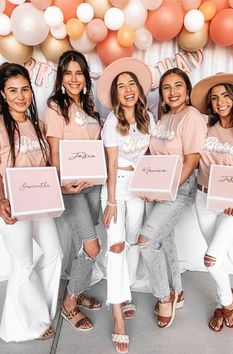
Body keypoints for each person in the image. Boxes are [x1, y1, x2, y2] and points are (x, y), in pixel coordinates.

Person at [138, 68, 207, 329]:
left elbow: (191, 160)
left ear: (187, 91)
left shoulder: (191, 116)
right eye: (167, 87)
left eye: (178, 85)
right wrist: (148, 185)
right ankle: (177, 291)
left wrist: (167, 188)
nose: (173, 91)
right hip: (158, 185)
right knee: (164, 239)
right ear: (162, 94)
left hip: (179, 187)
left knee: (146, 242)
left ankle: (163, 296)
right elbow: (153, 156)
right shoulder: (164, 117)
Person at [0, 63, 63, 342]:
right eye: (12, 90)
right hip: (12, 205)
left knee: (54, 254)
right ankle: (20, 326)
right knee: (23, 265)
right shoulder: (1, 126)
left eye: (24, 89)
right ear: (2, 94)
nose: (20, 96)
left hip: (39, 202)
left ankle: (43, 313)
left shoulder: (37, 126)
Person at [97, 57, 155, 353]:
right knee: (116, 246)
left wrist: (149, 186)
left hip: (138, 189)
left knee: (132, 243)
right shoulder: (111, 122)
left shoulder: (148, 118)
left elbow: (149, 157)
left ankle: (126, 292)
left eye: (132, 83)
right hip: (116, 188)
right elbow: (111, 163)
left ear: (139, 90)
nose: (128, 89)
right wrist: (110, 201)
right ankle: (117, 314)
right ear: (116, 95)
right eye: (121, 86)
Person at [45, 50, 102, 332]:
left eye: (79, 72)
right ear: (61, 77)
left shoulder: (91, 106)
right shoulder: (56, 106)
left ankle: (77, 291)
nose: (74, 78)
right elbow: (54, 150)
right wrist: (61, 184)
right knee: (93, 246)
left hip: (93, 186)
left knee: (83, 244)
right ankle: (69, 304)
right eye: (67, 73)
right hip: (70, 190)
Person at [191, 73, 233, 332]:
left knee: (210, 258)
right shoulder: (204, 129)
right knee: (216, 259)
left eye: (225, 95)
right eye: (215, 98)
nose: (220, 102)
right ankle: (227, 297)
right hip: (203, 198)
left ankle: (227, 305)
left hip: (232, 204)